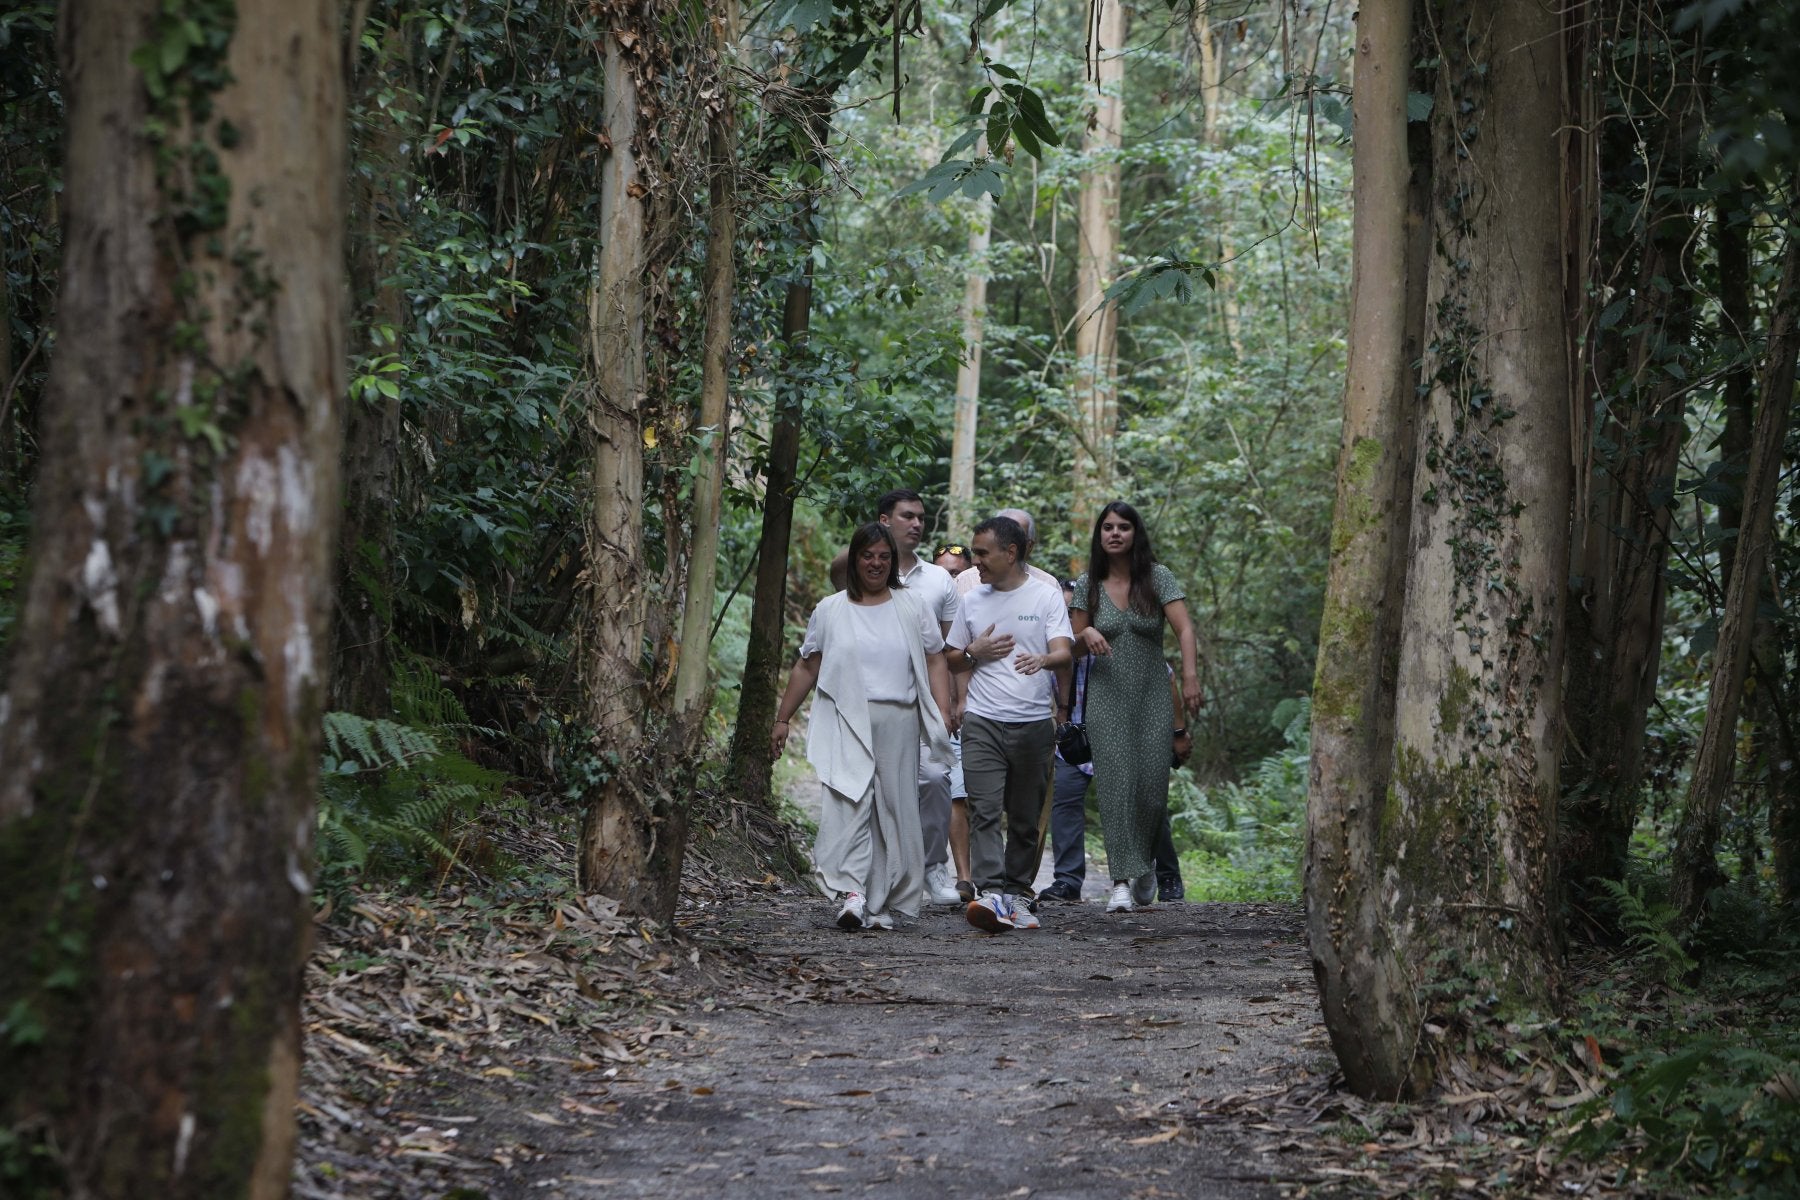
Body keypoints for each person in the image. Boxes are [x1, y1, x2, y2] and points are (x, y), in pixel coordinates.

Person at [771, 523, 955, 931]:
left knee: (893, 807)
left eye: (884, 557)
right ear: (855, 560)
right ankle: (852, 895)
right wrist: (782, 719)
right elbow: (808, 664)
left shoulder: (912, 606)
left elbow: (935, 658)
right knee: (849, 802)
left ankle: (881, 901)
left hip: (899, 720)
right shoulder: (831, 609)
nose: (876, 563)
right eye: (868, 555)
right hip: (847, 718)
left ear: (893, 562)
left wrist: (942, 711)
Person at [1069, 501, 1201, 914]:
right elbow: (1069, 647)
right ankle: (1122, 881)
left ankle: (1142, 863)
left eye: (1123, 527)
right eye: (1107, 527)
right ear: (1099, 534)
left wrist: (1191, 677)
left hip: (1152, 696)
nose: (1114, 534)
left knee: (1152, 793)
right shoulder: (1087, 583)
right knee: (1115, 789)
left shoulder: (1157, 577)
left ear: (1134, 534)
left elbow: (1184, 628)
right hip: (1106, 698)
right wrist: (1086, 630)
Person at [946, 515, 1073, 933]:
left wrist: (1043, 660)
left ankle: (1018, 893)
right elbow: (950, 658)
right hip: (983, 719)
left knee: (1023, 815)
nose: (975, 560)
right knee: (983, 809)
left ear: (1011, 552)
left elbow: (1063, 651)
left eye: (982, 552)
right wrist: (973, 650)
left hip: (1033, 722)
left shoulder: (1046, 595)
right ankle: (990, 893)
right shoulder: (972, 599)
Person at [878, 489, 963, 907]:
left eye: (920, 518)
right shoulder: (866, 570)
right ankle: (886, 872)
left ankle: (933, 866)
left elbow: (946, 651)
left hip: (926, 701)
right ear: (884, 520)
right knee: (879, 786)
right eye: (906, 516)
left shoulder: (939, 580)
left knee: (933, 779)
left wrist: (948, 705)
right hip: (876, 698)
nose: (916, 524)